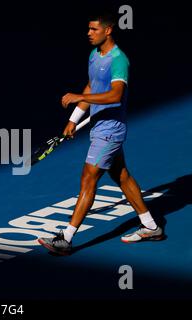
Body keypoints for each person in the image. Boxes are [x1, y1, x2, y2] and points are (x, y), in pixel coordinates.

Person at [38, 12, 164, 255]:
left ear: (108, 30)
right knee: (122, 176)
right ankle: (151, 226)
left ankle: (65, 238)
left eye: (93, 29)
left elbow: (116, 95)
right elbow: (92, 85)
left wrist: (80, 97)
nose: (88, 33)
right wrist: (74, 118)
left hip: (110, 132)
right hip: (99, 127)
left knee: (88, 179)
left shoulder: (119, 60)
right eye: (88, 29)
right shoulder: (94, 55)